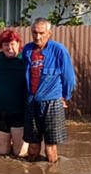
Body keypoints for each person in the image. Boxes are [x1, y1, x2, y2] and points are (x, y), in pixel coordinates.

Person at [21, 18, 75, 164]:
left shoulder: (59, 50)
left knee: (50, 147)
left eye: (41, 33)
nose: (37, 37)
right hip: (32, 102)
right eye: (34, 33)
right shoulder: (27, 50)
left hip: (52, 102)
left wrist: (64, 98)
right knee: (32, 146)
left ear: (49, 33)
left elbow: (69, 78)